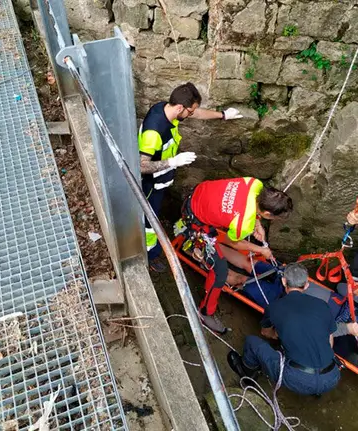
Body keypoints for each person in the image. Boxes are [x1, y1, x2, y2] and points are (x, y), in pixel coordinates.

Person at [139, 82, 243, 272]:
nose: (192, 114)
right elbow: (141, 165)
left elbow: (198, 113)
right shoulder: (154, 132)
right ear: (180, 108)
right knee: (148, 221)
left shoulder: (167, 108)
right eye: (190, 111)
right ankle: (149, 255)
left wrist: (223, 115)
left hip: (162, 180)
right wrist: (172, 162)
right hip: (151, 184)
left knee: (154, 214)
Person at [178, 177, 292, 333]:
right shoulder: (243, 223)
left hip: (199, 194)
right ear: (267, 213)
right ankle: (205, 312)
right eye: (274, 217)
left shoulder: (255, 184)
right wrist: (261, 250)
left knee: (227, 246)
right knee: (220, 272)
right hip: (195, 218)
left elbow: (245, 206)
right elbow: (233, 242)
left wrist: (257, 223)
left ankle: (202, 246)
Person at [227, 263, 340, 396]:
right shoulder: (322, 305)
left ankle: (247, 372)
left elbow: (265, 332)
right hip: (332, 377)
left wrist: (278, 333)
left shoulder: (274, 307)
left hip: (298, 378)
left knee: (252, 342)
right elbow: (329, 338)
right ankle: (317, 389)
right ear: (307, 284)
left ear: (283, 281)